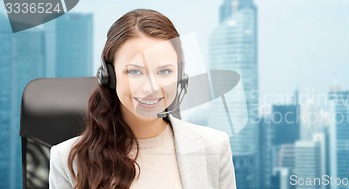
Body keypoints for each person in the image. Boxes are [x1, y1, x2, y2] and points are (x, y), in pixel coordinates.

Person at [49, 9, 236, 189]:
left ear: (181, 77)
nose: (151, 88)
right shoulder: (68, 159)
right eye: (135, 71)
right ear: (109, 75)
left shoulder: (214, 147)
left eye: (164, 71)